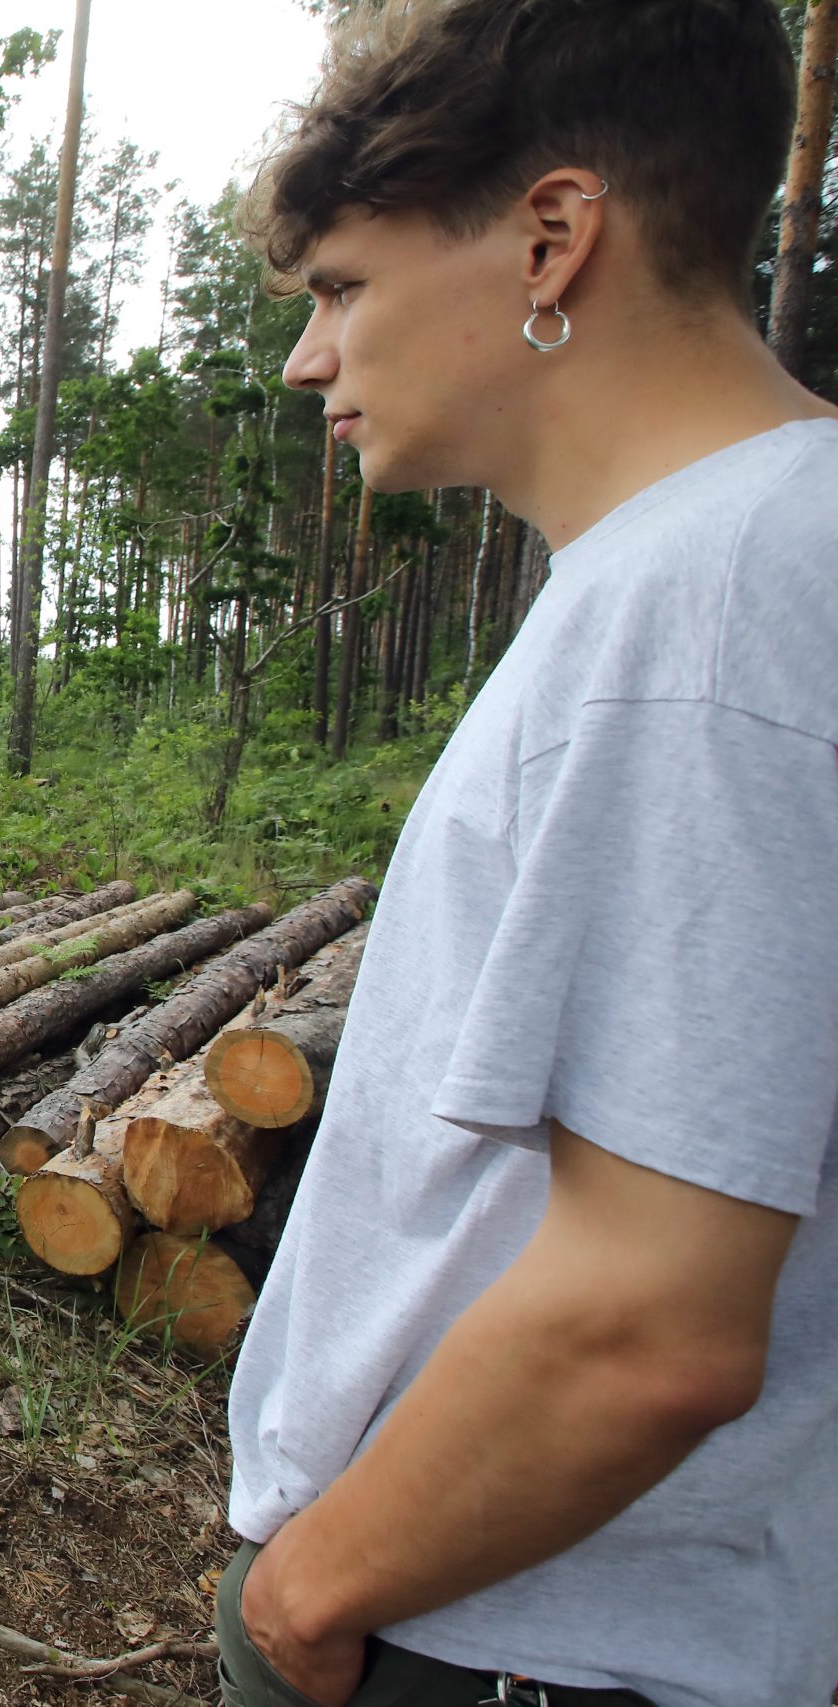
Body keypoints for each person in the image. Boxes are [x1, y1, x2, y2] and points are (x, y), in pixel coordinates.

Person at [213, 5, 838, 1705]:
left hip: (511, 1636)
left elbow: (649, 1321)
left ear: (554, 237)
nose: (307, 359)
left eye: (341, 285)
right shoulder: (729, 564)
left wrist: (306, 1591)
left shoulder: (705, 611)